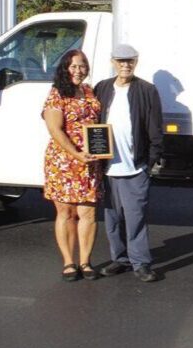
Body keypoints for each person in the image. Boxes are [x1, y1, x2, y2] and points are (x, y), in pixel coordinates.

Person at [95, 43, 165, 282]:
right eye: (120, 61)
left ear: (136, 62)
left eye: (130, 61)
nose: (125, 65)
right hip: (107, 168)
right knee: (112, 219)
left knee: (136, 217)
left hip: (135, 167)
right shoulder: (102, 88)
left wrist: (149, 163)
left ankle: (141, 262)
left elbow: (155, 130)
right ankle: (120, 259)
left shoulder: (147, 90)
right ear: (113, 62)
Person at [41, 49, 103, 282]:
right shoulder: (57, 93)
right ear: (66, 68)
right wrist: (75, 154)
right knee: (66, 213)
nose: (79, 70)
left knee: (88, 212)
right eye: (74, 66)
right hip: (64, 161)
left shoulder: (89, 91)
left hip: (90, 160)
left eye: (83, 65)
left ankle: (85, 261)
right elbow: (55, 129)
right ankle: (69, 261)